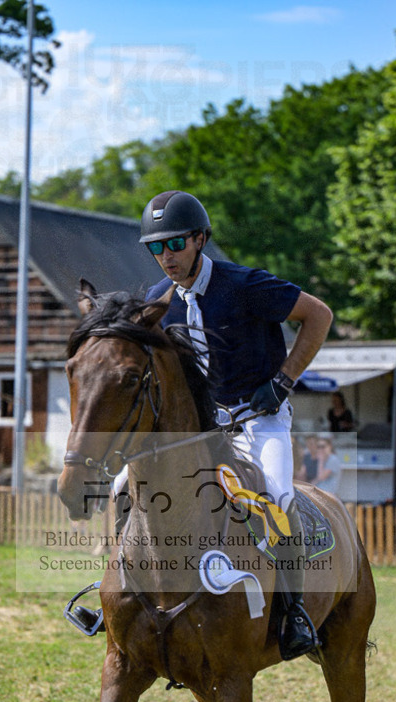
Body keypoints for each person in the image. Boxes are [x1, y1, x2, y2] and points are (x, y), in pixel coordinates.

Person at [139, 190, 334, 658]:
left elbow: (319, 316)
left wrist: (284, 380)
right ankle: (123, 599)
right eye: (155, 248)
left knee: (278, 499)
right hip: (202, 431)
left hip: (258, 421)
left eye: (175, 245)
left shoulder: (245, 285)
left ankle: (292, 613)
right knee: (128, 487)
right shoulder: (156, 301)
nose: (165, 257)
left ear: (200, 239)